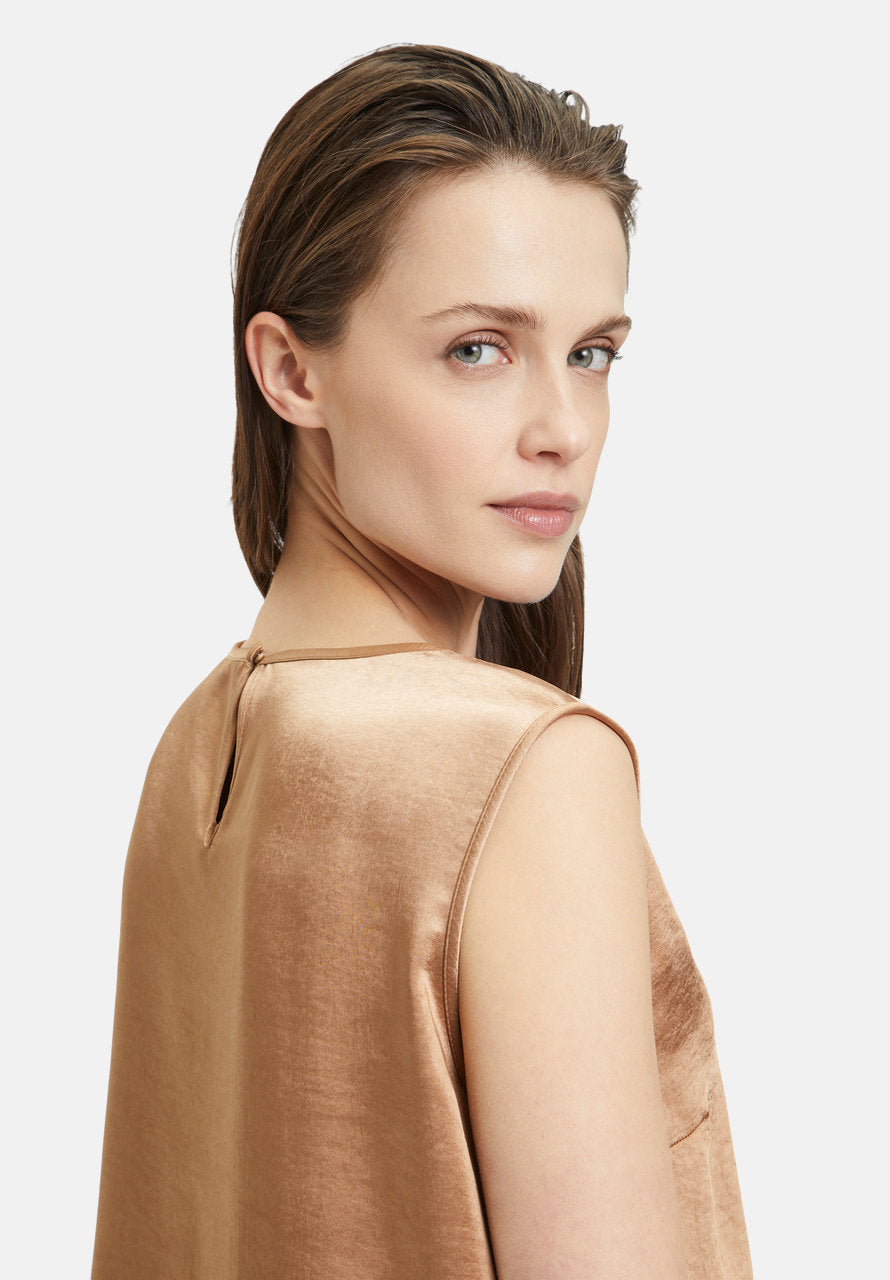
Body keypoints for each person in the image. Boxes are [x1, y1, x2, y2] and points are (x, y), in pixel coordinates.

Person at [91, 44, 752, 1280]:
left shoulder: (198, 750)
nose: (561, 428)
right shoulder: (525, 767)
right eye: (476, 350)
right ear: (292, 370)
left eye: (591, 353)